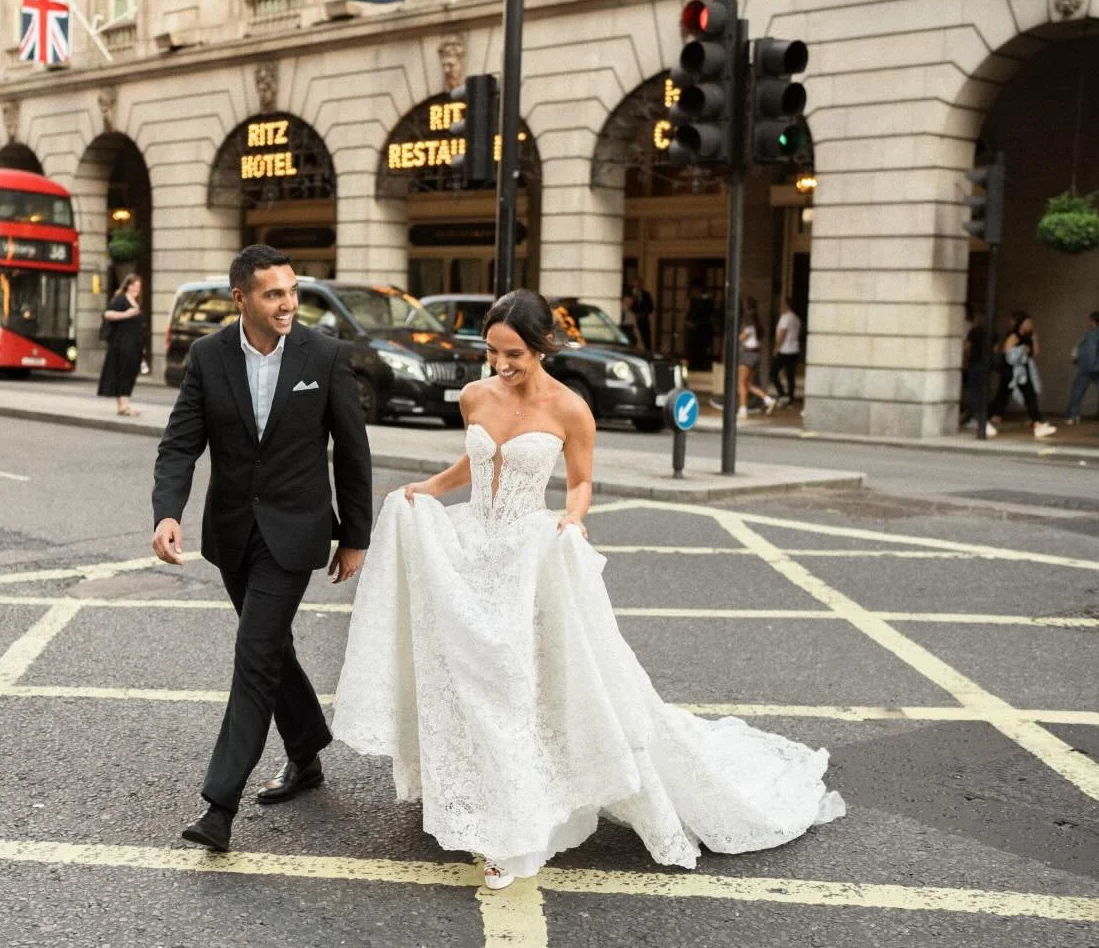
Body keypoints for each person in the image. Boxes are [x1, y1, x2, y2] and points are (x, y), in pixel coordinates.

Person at [333, 289, 843, 891]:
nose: (501, 364)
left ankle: (516, 824)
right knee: (470, 682)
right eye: (493, 352)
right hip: (472, 550)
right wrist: (426, 487)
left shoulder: (570, 408)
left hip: (529, 554)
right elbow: (472, 466)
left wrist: (572, 520)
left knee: (523, 685)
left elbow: (579, 485)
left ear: (543, 345)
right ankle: (481, 795)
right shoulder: (475, 396)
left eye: (514, 353)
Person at [151, 244, 373, 854]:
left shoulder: (323, 355)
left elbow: (353, 451)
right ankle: (306, 753)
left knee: (253, 655)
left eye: (293, 291)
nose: (288, 304)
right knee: (272, 647)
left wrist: (355, 535)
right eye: (275, 293)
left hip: (294, 533)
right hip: (232, 535)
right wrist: (168, 512)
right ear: (241, 298)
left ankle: (219, 805)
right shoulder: (208, 355)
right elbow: (180, 444)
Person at [989, 311, 1056, 439]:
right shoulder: (1014, 336)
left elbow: (1035, 352)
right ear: (1021, 324)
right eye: (1027, 323)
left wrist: (1034, 340)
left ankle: (1037, 421)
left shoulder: (1030, 336)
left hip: (1024, 370)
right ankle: (984, 416)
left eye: (1031, 323)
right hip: (1013, 370)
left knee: (1028, 394)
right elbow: (1007, 352)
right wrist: (1021, 350)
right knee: (1004, 394)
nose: (1030, 325)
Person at [97, 274, 146, 417]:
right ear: (128, 286)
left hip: (134, 345)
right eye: (134, 285)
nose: (137, 289)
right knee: (124, 372)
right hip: (123, 344)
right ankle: (124, 405)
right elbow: (107, 314)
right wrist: (126, 314)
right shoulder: (121, 299)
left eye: (138, 286)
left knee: (129, 372)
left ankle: (123, 405)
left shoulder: (135, 301)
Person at [960, 308, 995, 437]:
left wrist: (964, 361)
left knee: (974, 391)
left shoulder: (974, 331)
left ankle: (976, 418)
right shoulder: (992, 332)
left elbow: (966, 346)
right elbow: (995, 350)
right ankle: (981, 417)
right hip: (986, 366)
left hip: (975, 364)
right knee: (982, 391)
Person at [737, 320, 779, 418]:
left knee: (742, 383)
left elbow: (740, 338)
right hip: (755, 356)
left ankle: (743, 410)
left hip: (746, 355)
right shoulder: (758, 329)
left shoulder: (749, 328)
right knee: (748, 384)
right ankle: (768, 400)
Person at [770, 298, 802, 405]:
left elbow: (782, 334)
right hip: (794, 350)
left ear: (786, 305)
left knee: (773, 373)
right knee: (790, 375)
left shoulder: (785, 318)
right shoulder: (796, 319)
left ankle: (782, 394)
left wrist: (776, 347)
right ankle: (790, 397)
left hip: (784, 350)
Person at [685, 281, 714, 371]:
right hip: (693, 330)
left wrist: (697, 324)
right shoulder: (692, 300)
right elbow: (689, 313)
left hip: (703, 330)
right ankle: (692, 367)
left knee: (701, 350)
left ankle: (700, 367)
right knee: (692, 349)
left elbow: (707, 316)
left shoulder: (707, 301)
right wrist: (688, 321)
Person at [624, 274, 655, 351]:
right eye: (635, 283)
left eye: (639, 283)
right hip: (631, 321)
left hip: (644, 323)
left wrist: (643, 314)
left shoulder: (646, 294)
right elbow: (627, 306)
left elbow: (651, 307)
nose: (637, 285)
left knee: (645, 342)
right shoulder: (629, 293)